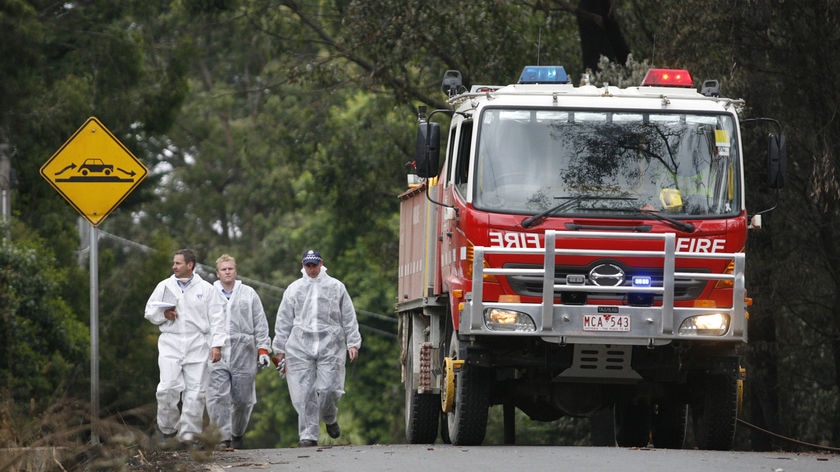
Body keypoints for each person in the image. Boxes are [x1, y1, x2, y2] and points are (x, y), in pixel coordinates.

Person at [272, 249, 362, 447]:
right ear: (303, 265)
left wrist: (353, 342)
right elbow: (284, 319)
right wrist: (279, 348)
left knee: (329, 388)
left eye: (314, 265)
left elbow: (348, 315)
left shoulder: (336, 287)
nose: (311, 269)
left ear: (321, 263)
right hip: (300, 346)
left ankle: (329, 417)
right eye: (308, 265)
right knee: (304, 392)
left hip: (330, 344)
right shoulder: (294, 289)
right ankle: (308, 435)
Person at [144, 249, 227, 446]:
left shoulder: (206, 289)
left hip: (198, 343)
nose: (174, 267)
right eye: (174, 263)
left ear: (190, 265)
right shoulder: (164, 286)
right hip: (170, 342)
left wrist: (217, 345)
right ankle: (168, 429)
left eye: (178, 263)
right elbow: (149, 311)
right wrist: (164, 315)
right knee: (167, 388)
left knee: (196, 392)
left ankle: (189, 437)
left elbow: (217, 318)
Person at [206, 254, 272, 450]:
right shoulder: (209, 293)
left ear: (236, 271)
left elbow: (260, 323)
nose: (227, 272)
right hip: (217, 351)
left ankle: (237, 433)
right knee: (219, 397)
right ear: (217, 273)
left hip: (245, 351)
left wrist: (263, 350)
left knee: (243, 400)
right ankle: (222, 438)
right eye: (224, 269)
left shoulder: (249, 293)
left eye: (231, 268)